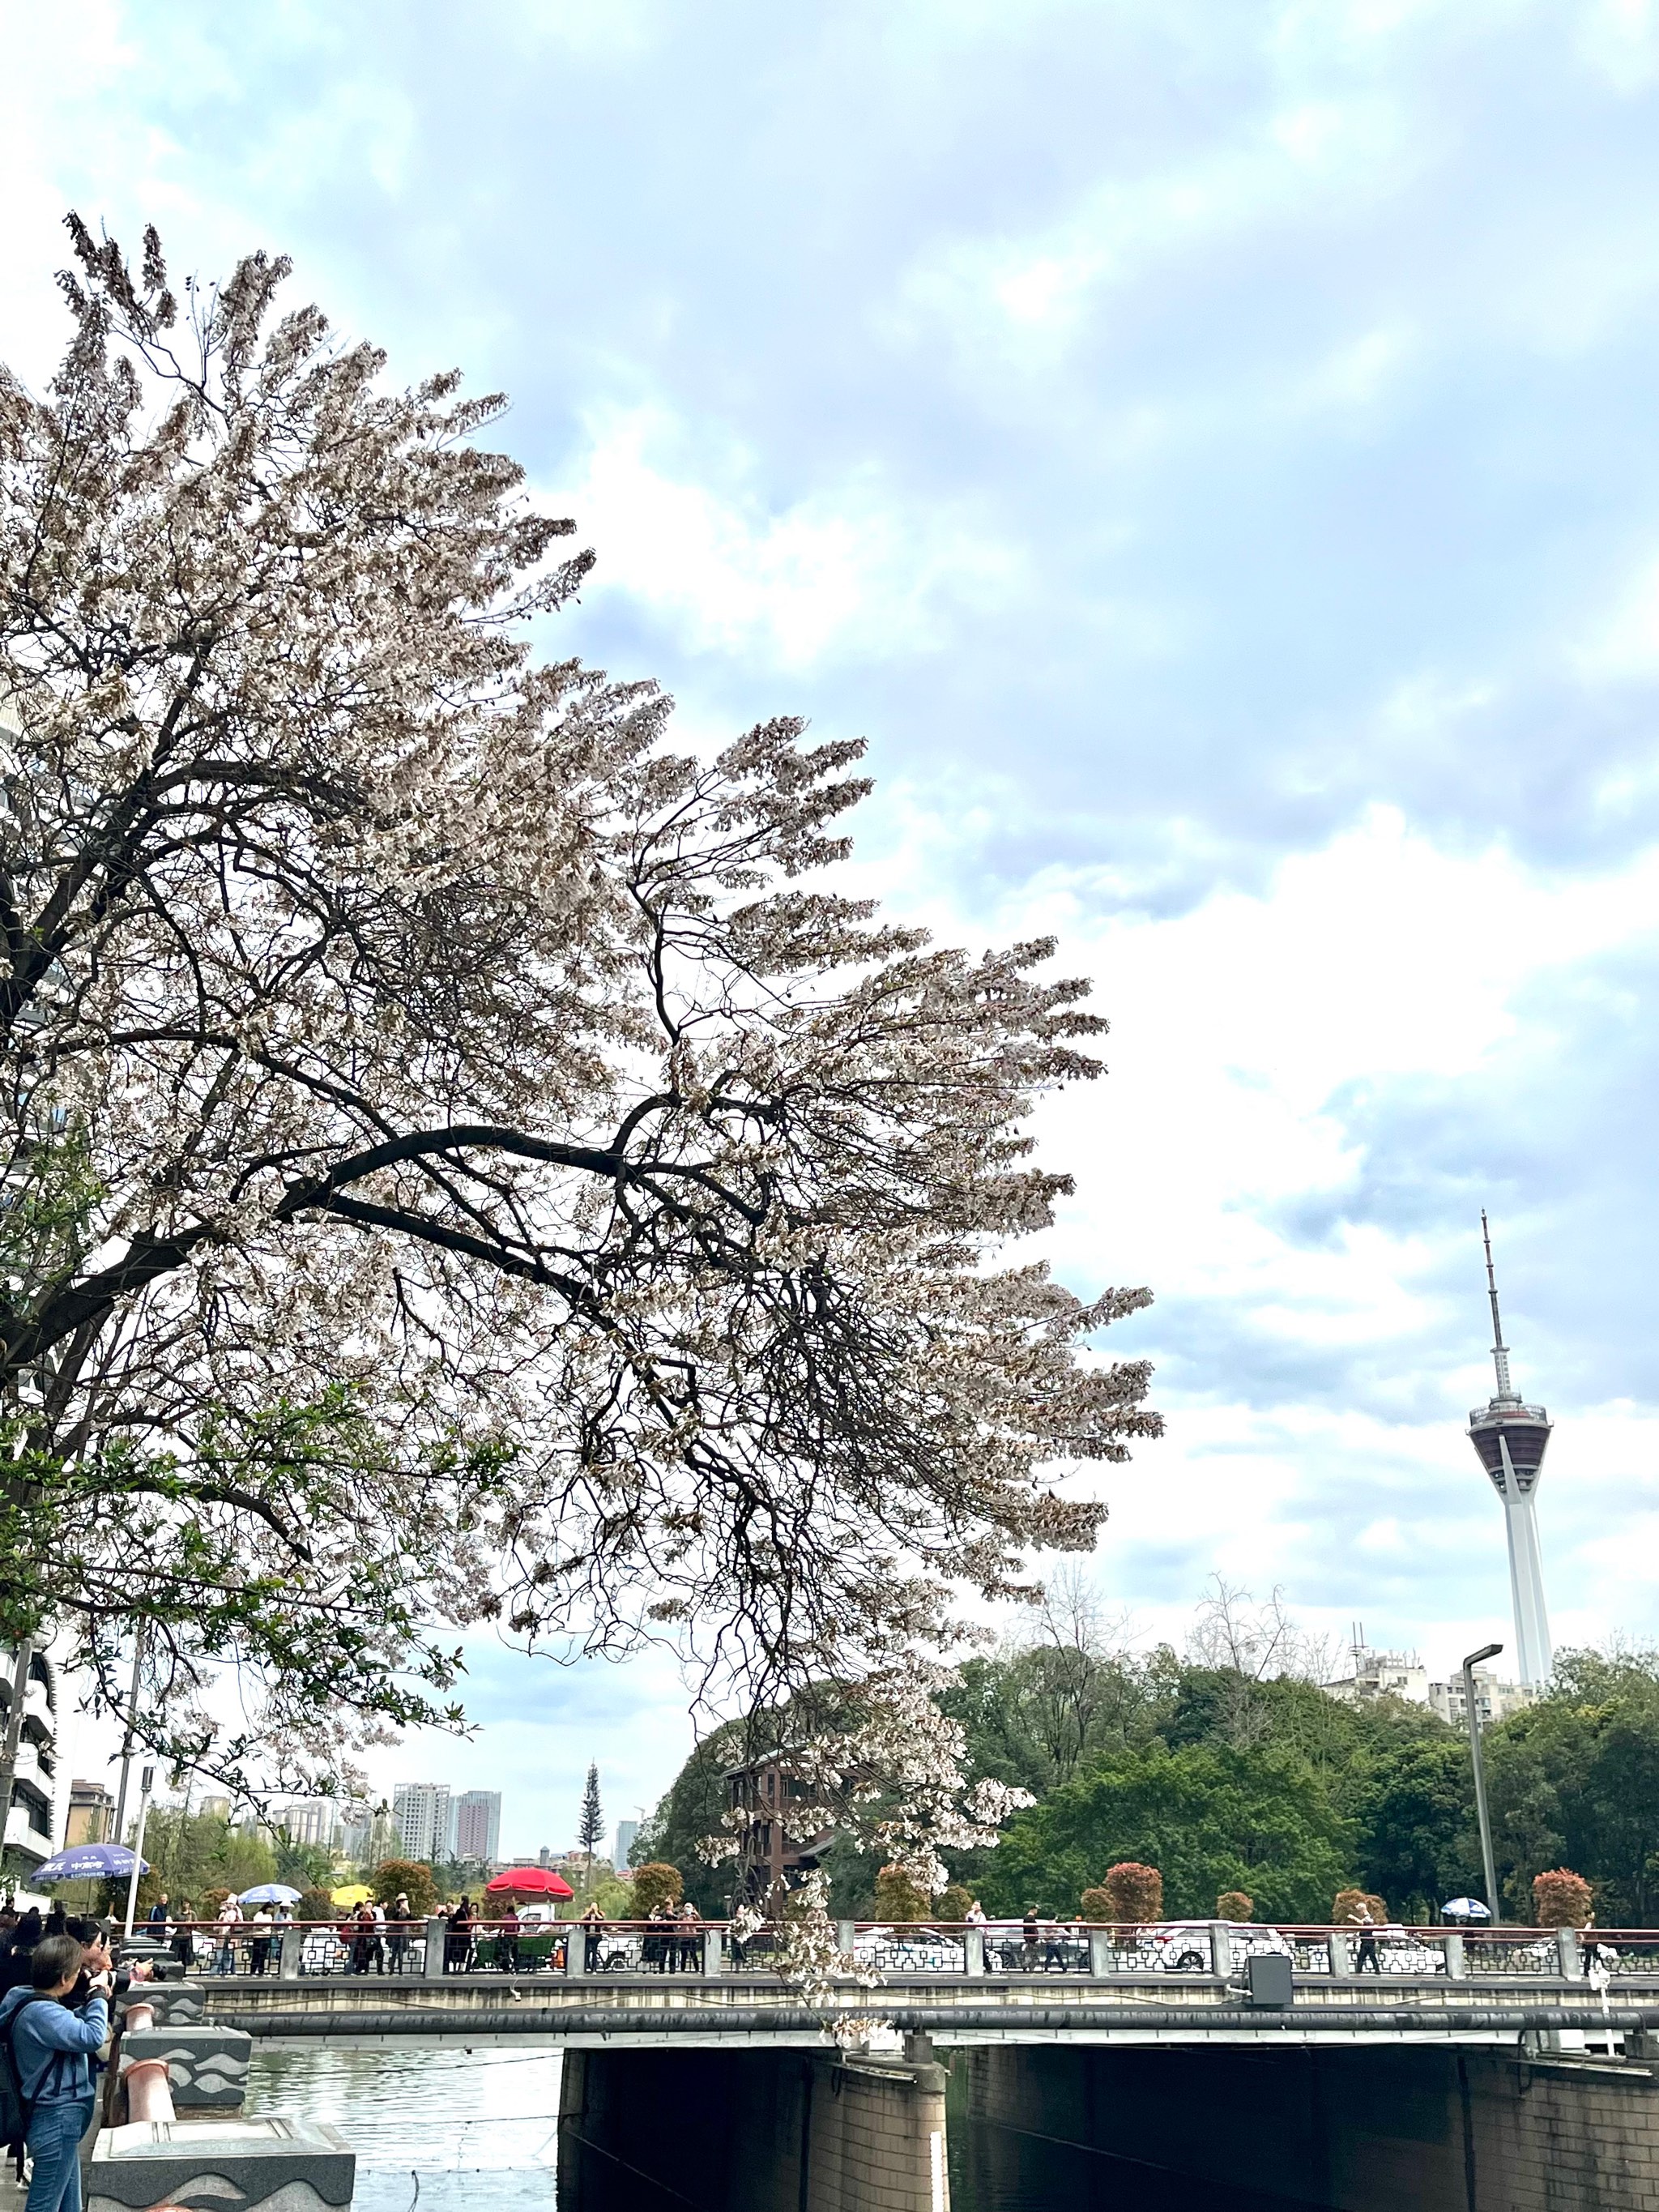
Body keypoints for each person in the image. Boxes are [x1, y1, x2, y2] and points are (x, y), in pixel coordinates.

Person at [0, 1932, 112, 2212]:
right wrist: (98, 1995)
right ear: (64, 1979)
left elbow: (68, 2023)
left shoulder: (20, 1997)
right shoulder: (43, 2015)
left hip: (54, 2119)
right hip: (56, 2119)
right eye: (77, 1973)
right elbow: (92, 2036)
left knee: (69, 2205)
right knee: (44, 2206)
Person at [214, 1895, 242, 1976]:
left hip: (229, 1936)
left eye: (230, 1903)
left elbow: (227, 1926)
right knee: (226, 1955)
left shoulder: (234, 1913)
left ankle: (224, 1971)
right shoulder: (224, 1913)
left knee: (227, 1955)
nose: (228, 1905)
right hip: (225, 1936)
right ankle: (225, 1971)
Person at [1349, 1903, 1380, 1975]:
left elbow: (1364, 1922)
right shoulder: (1366, 1917)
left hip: (1368, 1941)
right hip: (1366, 1941)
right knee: (1364, 1957)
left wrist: (1353, 1918)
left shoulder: (1367, 1916)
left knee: (1366, 1957)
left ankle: (1360, 1972)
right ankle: (1375, 1971)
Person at [386, 1894, 412, 1977]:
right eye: (401, 1901)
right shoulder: (395, 1909)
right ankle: (391, 1970)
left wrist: (407, 1910)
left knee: (401, 1952)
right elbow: (394, 1918)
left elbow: (411, 1918)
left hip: (403, 1932)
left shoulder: (407, 1909)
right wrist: (399, 1911)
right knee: (394, 1951)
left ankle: (400, 1970)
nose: (402, 1902)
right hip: (396, 1932)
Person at [675, 1900, 702, 1975]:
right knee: (684, 1955)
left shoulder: (694, 1916)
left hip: (692, 1937)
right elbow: (677, 1920)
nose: (688, 1908)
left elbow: (700, 1920)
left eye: (689, 1907)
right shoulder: (681, 1916)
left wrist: (695, 1912)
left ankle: (697, 1970)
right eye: (686, 1907)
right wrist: (683, 1914)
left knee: (693, 1954)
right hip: (683, 1937)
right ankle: (682, 1970)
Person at [248, 1907, 274, 1977]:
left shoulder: (269, 1916)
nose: (271, 1910)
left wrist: (263, 1925)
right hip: (258, 1937)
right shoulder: (259, 1914)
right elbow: (257, 1925)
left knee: (263, 1955)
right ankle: (253, 1971)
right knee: (256, 1954)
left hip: (266, 1936)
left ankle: (261, 1971)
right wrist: (263, 1925)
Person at [581, 1898, 605, 1972]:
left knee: (594, 1953)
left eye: (595, 1906)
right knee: (587, 1952)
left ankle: (594, 1968)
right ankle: (586, 1967)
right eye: (592, 1906)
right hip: (588, 1936)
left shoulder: (599, 1914)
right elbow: (581, 1919)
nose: (593, 1908)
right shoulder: (588, 1915)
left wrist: (596, 1912)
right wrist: (589, 1911)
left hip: (596, 1936)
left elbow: (601, 1919)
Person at [497, 1904, 519, 1974]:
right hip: (514, 1936)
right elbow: (518, 1928)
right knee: (515, 1954)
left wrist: (499, 1935)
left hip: (507, 1936)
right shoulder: (516, 1917)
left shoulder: (505, 1917)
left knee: (505, 1953)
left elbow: (502, 1928)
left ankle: (506, 1968)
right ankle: (516, 1968)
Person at [1021, 1907, 1040, 1972]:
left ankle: (1027, 1966)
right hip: (1031, 1939)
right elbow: (1031, 1929)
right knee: (1032, 1955)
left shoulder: (1026, 1918)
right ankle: (1026, 1965)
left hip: (1029, 1939)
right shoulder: (1030, 1918)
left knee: (1030, 1954)